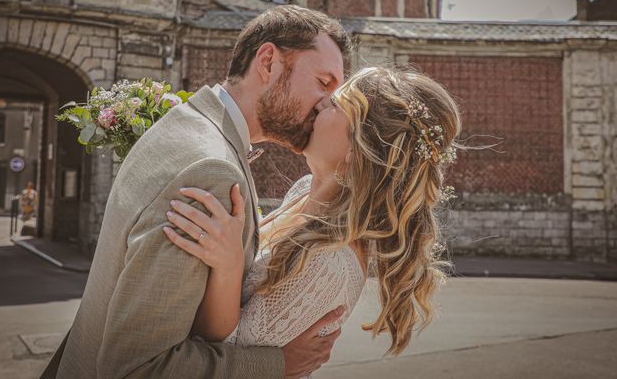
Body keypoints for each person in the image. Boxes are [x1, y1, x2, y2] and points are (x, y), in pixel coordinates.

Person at [41, 5, 353, 379]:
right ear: (268, 63)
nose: (324, 104)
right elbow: (139, 366)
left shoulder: (187, 122)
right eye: (323, 82)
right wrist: (278, 364)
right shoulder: (211, 170)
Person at [164, 66, 461, 367]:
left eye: (335, 104)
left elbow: (231, 358)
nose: (320, 103)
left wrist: (228, 267)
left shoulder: (328, 264)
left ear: (357, 150)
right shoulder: (304, 191)